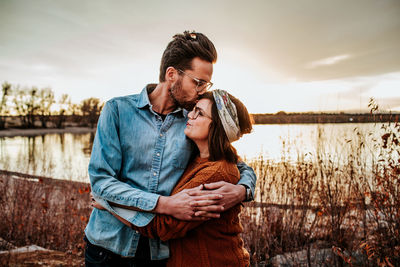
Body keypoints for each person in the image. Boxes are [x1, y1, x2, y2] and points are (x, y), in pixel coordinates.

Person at [84, 31, 256, 266]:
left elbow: (233, 164)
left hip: (157, 255)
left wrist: (242, 191)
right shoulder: (117, 111)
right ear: (172, 74)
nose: (202, 91)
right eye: (198, 82)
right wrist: (165, 204)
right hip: (107, 247)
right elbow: (102, 182)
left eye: (206, 84)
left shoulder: (192, 123)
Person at [94, 89, 252, 266]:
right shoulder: (197, 158)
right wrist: (244, 190)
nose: (190, 115)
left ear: (217, 127)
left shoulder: (215, 174)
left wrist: (110, 205)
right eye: (194, 109)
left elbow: (162, 227)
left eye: (199, 113)